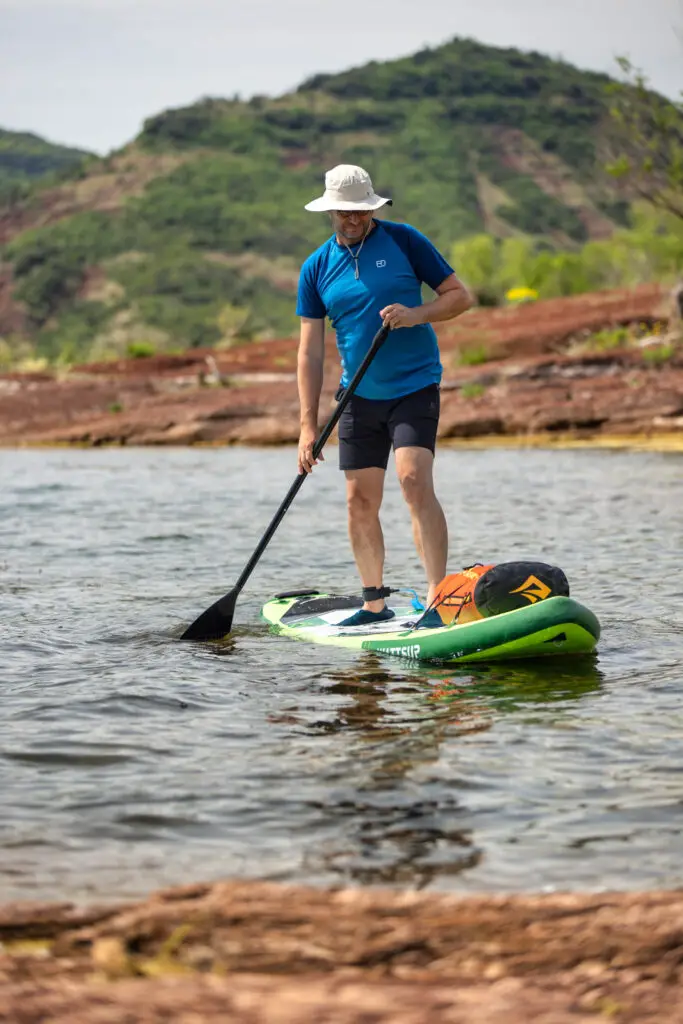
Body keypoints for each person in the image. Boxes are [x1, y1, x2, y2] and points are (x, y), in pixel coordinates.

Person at [296, 164, 472, 627]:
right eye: (345, 212)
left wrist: (417, 315)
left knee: (414, 481)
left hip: (414, 384)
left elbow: (459, 296)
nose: (354, 219)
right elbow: (309, 352)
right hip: (356, 397)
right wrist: (306, 428)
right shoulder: (315, 268)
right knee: (359, 500)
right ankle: (374, 604)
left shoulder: (404, 240)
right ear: (331, 210)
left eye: (362, 210)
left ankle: (438, 599)